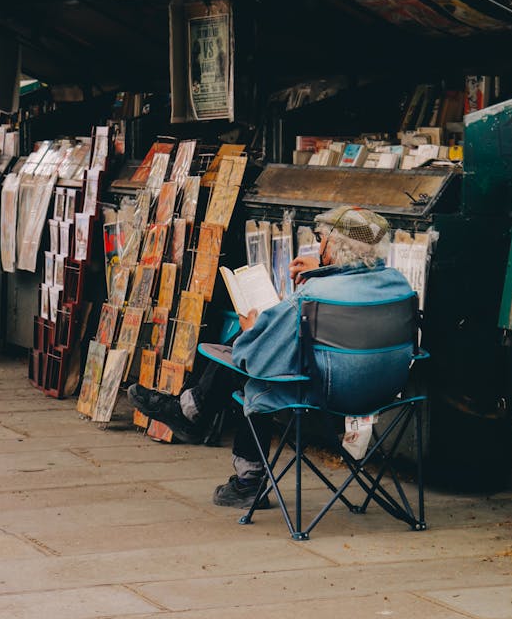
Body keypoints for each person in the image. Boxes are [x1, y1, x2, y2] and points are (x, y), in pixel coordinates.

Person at [127, 206, 414, 508]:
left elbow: (257, 359)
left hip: (328, 393)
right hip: (388, 390)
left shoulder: (314, 295)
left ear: (336, 245)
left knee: (253, 363)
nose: (319, 246)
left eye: (322, 241)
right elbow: (355, 276)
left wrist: (253, 331)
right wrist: (322, 265)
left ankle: (242, 473)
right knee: (264, 352)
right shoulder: (398, 284)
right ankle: (193, 411)